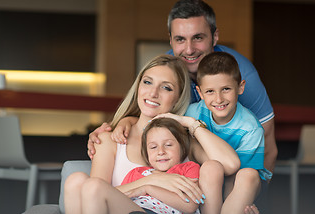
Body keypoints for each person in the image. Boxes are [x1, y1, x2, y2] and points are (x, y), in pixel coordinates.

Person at [87, 0, 277, 176]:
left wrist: (252, 197)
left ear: (215, 36)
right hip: (192, 173)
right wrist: (121, 124)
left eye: (198, 38)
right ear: (170, 40)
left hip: (232, 171)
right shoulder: (167, 70)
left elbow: (267, 145)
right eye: (180, 39)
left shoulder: (240, 74)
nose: (188, 49)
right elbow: (149, 107)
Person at [64, 54, 239, 214]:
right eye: (147, 82)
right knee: (75, 181)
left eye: (166, 87)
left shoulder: (183, 140)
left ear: (178, 97)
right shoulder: (111, 138)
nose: (153, 93)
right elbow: (92, 194)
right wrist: (152, 182)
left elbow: (230, 163)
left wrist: (189, 123)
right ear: (138, 87)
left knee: (91, 187)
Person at [160, 51, 272, 214]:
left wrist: (236, 207)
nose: (218, 99)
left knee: (247, 174)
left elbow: (236, 177)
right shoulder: (192, 113)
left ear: (240, 87)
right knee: (211, 167)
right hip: (208, 181)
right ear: (200, 92)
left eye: (226, 89)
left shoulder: (250, 128)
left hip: (241, 184)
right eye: (210, 91)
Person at [78, 118, 204, 214]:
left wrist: (146, 188)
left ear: (182, 148)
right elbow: (113, 196)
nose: (161, 151)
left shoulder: (188, 168)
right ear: (146, 152)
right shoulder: (138, 173)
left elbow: (190, 206)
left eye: (168, 145)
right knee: (90, 187)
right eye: (153, 147)